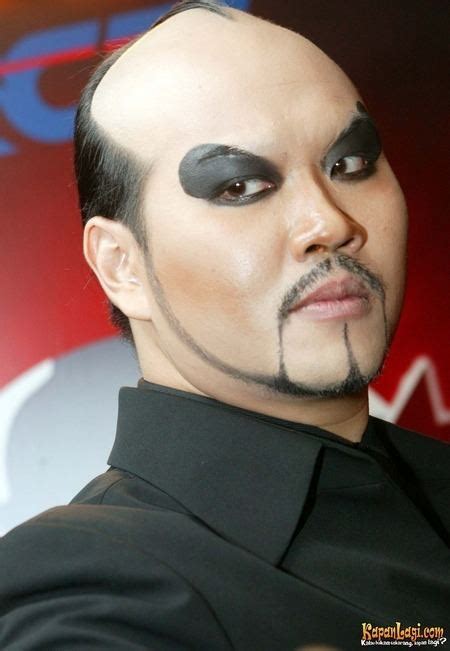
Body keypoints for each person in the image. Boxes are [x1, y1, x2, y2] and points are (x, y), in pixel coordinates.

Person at [0, 1, 448, 649]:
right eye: (238, 187)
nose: (329, 223)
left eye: (349, 165)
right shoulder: (91, 588)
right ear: (122, 265)